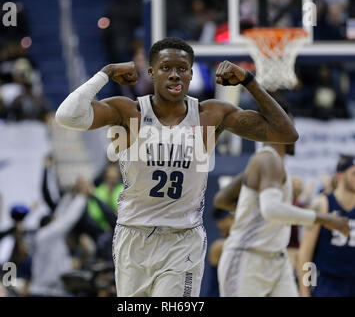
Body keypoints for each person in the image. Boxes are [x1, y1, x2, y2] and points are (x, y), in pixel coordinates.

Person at [55, 37, 298, 297]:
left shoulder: (211, 114)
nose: (174, 75)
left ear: (191, 74)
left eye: (182, 68)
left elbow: (285, 133)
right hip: (132, 236)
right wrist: (107, 73)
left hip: (182, 239)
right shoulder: (130, 111)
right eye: (165, 68)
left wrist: (249, 81)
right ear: (151, 73)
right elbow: (67, 115)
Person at [213, 113, 349, 297]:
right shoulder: (267, 159)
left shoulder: (273, 164)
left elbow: (221, 198)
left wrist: (254, 209)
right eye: (291, 127)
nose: (295, 134)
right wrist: (324, 219)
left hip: (277, 258)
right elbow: (271, 210)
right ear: (281, 129)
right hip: (248, 257)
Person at [298, 155, 355, 297]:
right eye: (354, 173)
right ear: (340, 176)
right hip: (327, 283)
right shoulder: (321, 204)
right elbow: (305, 253)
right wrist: (304, 292)